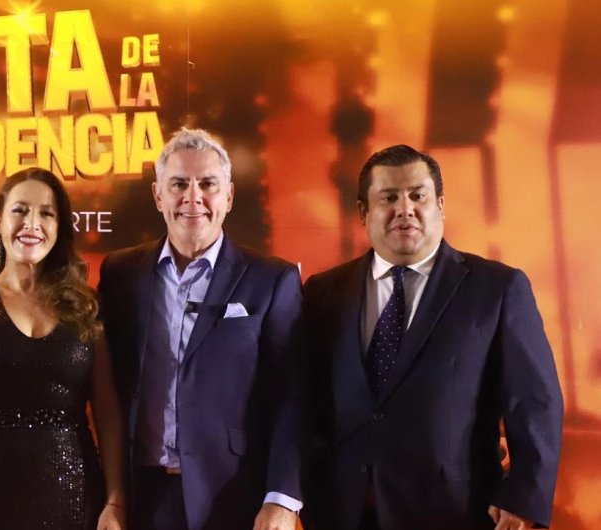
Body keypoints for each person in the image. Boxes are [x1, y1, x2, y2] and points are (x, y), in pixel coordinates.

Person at [300, 145, 563, 530]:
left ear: (440, 204)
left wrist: (523, 497)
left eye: (417, 195)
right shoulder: (323, 291)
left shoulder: (497, 288)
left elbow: (535, 402)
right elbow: (303, 401)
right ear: (363, 212)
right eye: (389, 197)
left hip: (455, 511)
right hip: (342, 510)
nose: (404, 209)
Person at [98, 128, 305, 530]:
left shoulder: (271, 279)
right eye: (178, 184)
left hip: (233, 496)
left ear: (228, 196)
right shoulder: (120, 273)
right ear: (158, 196)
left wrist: (282, 498)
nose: (193, 198)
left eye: (208, 184)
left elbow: (292, 396)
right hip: (141, 498)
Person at [0, 167, 126, 530]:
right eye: (20, 210)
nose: (32, 223)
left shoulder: (85, 307)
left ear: (59, 226)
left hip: (73, 499)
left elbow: (108, 415)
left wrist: (115, 503)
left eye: (46, 213)